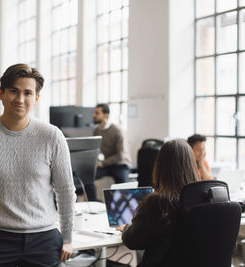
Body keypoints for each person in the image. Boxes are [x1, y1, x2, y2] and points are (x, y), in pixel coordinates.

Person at [0, 64, 76, 267]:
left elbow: (65, 190)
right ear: (1, 94)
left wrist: (67, 237)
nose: (20, 99)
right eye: (14, 91)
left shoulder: (52, 136)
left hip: (44, 238)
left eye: (27, 93)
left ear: (36, 98)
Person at [117, 139, 200, 267]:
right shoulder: (202, 199)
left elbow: (133, 241)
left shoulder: (158, 202)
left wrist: (127, 228)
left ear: (160, 166)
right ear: (192, 165)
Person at [85, 103, 132, 200]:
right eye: (94, 112)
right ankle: (93, 205)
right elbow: (94, 149)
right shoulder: (96, 131)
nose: (94, 115)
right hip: (107, 164)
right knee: (87, 177)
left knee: (124, 187)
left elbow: (121, 156)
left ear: (106, 115)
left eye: (97, 113)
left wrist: (102, 163)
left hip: (121, 164)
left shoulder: (118, 131)